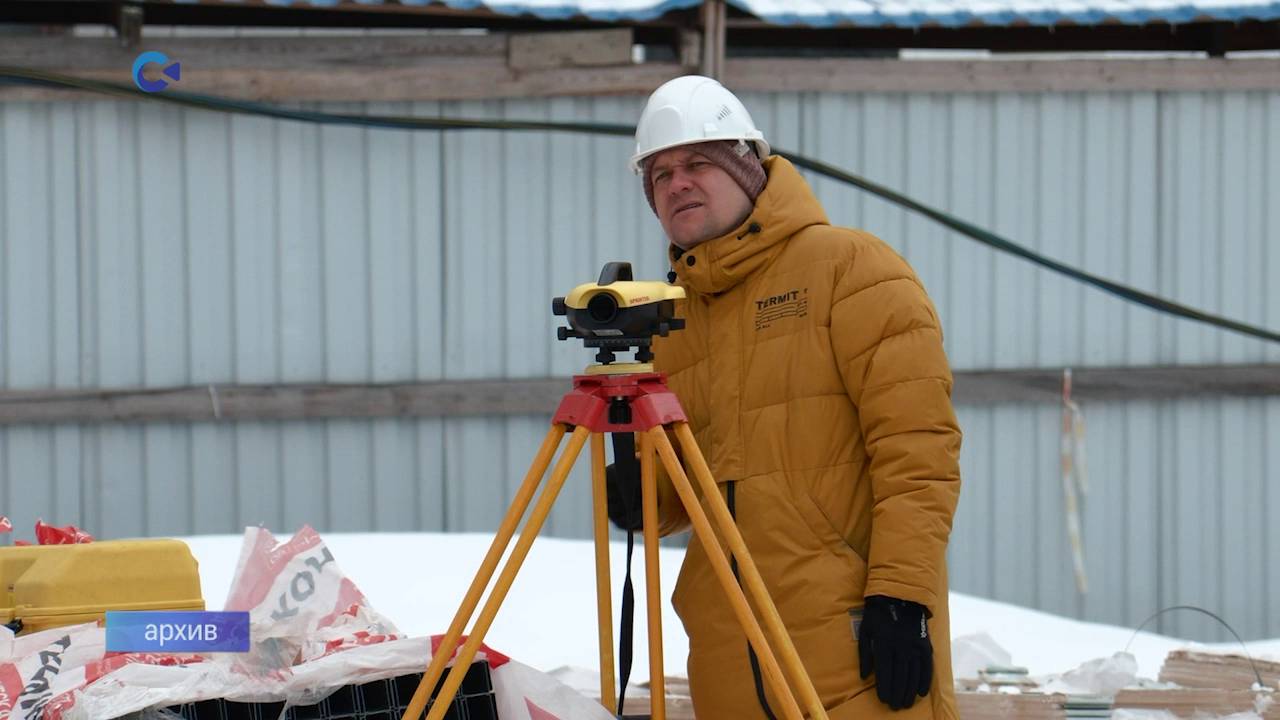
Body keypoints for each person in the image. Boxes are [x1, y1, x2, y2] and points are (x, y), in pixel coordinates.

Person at [606, 75, 964, 719]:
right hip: (726, 656)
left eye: (696, 163)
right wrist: (638, 494)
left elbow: (919, 453)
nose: (677, 182)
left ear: (748, 168)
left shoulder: (851, 269)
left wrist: (902, 598)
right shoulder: (673, 323)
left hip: (850, 645)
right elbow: (690, 496)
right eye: (658, 175)